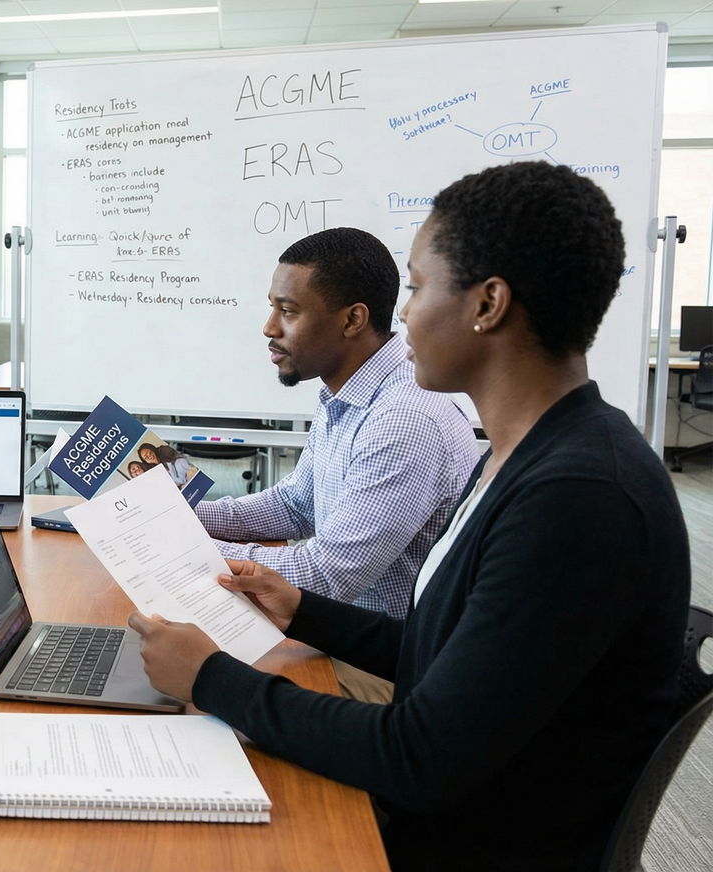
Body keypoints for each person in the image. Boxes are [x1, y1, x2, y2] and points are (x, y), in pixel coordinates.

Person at [129, 162, 689, 872]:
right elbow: (442, 650)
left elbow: (420, 755)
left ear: (488, 304)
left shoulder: (578, 497)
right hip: (455, 802)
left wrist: (212, 678)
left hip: (465, 842)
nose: (403, 317)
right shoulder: (524, 457)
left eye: (419, 288)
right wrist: (303, 610)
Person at [194, 227, 480, 623]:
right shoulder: (347, 394)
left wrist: (187, 549)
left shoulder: (403, 421)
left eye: (288, 311)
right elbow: (295, 506)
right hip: (337, 635)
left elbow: (324, 576)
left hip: (380, 654)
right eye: (272, 308)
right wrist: (185, 516)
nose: (270, 328)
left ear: (352, 320)